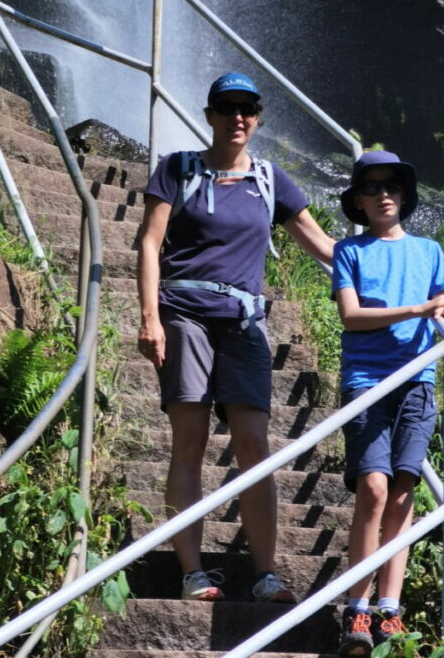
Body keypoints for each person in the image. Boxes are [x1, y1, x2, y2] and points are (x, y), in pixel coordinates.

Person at [137, 71, 335, 603]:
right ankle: (193, 572)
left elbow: (323, 246)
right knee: (191, 439)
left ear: (258, 117)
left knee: (254, 444)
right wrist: (150, 317)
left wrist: (401, 272)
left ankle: (266, 572)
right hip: (184, 314)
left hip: (244, 322)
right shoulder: (177, 169)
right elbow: (150, 243)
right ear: (210, 116)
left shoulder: (271, 180)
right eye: (227, 109)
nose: (237, 118)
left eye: (247, 109)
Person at [332, 150, 444, 658]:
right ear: (359, 201)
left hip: (417, 380)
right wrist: (419, 308)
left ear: (404, 196)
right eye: (372, 187)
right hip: (367, 380)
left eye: (392, 186)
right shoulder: (350, 251)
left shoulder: (430, 250)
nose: (383, 194)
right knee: (373, 487)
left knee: (404, 491)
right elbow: (350, 316)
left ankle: (389, 607)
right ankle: (356, 605)